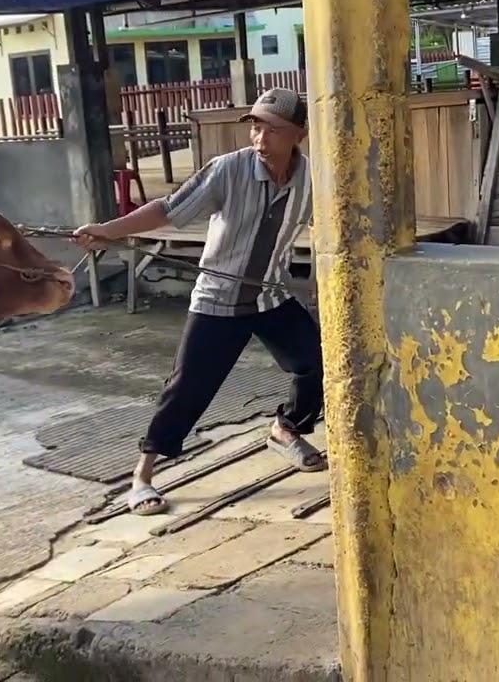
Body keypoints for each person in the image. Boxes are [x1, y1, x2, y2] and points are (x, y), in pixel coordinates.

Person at [73, 87, 325, 516]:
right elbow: (169, 209)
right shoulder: (228, 170)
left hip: (270, 295)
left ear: (299, 134)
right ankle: (142, 477)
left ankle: (286, 430)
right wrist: (110, 230)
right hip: (218, 300)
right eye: (256, 127)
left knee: (316, 363)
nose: (261, 139)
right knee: (188, 387)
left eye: (273, 130)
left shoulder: (314, 178)